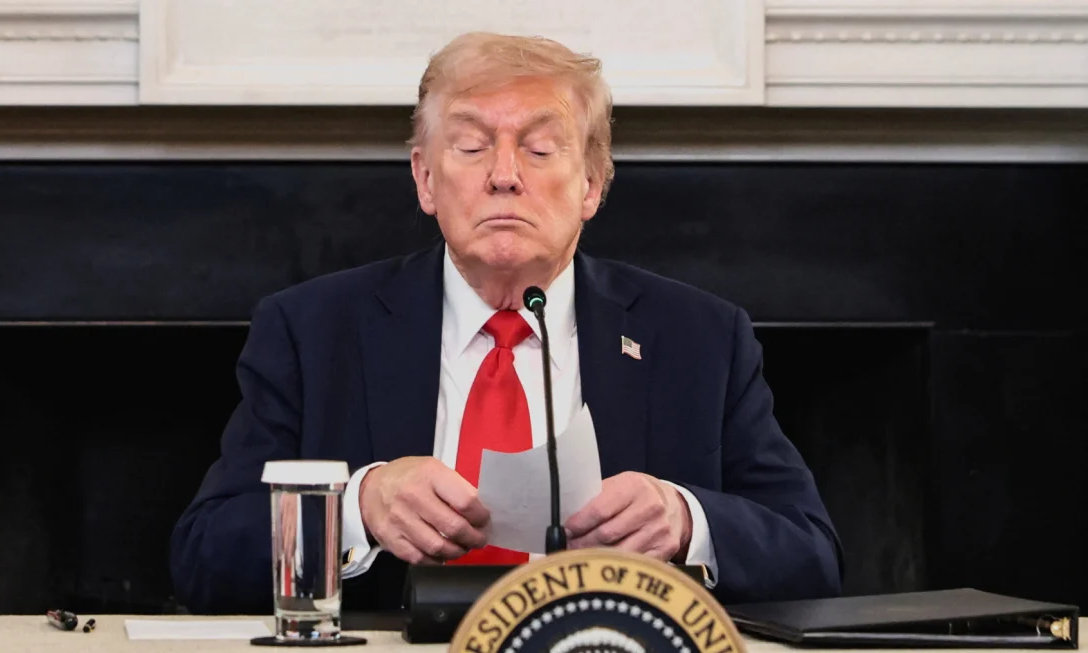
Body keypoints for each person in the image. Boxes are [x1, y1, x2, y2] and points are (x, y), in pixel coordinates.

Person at [170, 31, 842, 615]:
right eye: (469, 146)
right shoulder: (312, 330)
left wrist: (684, 520)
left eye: (540, 149)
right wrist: (356, 506)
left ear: (591, 184)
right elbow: (202, 557)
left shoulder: (697, 338)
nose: (503, 175)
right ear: (425, 179)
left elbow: (812, 553)